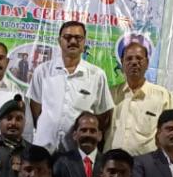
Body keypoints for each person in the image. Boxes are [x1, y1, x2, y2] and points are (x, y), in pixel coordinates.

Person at [27, 21, 114, 153]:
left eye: (78, 38)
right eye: (67, 37)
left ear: (84, 42)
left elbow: (103, 115)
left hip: (78, 151)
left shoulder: (97, 75)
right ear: (59, 41)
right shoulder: (42, 71)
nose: (73, 41)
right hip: (44, 148)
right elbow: (35, 110)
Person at [104, 43, 173, 156]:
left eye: (139, 58)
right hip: (112, 164)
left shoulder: (163, 96)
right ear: (122, 63)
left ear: (147, 63)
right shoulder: (111, 94)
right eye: (129, 58)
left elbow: (169, 133)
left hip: (145, 168)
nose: (134, 62)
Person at [53, 112, 105, 177]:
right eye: (83, 130)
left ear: (100, 135)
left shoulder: (108, 163)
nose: (88, 134)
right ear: (75, 135)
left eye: (92, 131)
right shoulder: (62, 163)